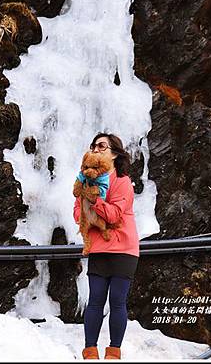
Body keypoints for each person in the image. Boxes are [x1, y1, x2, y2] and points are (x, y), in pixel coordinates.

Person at [74, 133, 139, 360]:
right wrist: (85, 200)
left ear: (114, 154)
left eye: (102, 145)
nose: (97, 149)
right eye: (94, 145)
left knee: (117, 301)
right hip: (99, 248)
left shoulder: (122, 183)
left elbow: (113, 215)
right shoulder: (85, 180)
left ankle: (113, 352)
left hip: (123, 249)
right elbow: (77, 214)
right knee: (95, 299)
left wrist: (94, 200)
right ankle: (90, 351)